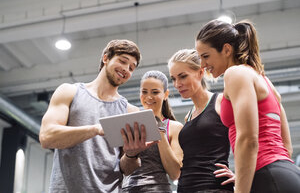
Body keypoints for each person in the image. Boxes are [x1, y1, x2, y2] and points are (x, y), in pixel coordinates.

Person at [195, 19, 300, 193]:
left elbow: (248, 139)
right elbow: (286, 147)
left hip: (268, 175)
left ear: (227, 49)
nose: (202, 65)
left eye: (206, 56)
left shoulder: (236, 73)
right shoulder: (264, 80)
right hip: (285, 173)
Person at [39, 39, 156, 193]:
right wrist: (95, 129)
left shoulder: (130, 111)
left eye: (131, 67)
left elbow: (126, 169)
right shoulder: (69, 92)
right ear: (106, 58)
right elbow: (47, 137)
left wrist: (132, 154)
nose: (126, 69)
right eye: (123, 61)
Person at [168, 49, 235, 193]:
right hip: (185, 187)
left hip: (214, 187)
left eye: (183, 76)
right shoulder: (188, 116)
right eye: (173, 79)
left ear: (200, 72)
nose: (177, 84)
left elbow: (250, 135)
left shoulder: (221, 101)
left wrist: (241, 176)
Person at [122, 70, 184, 193]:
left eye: (155, 92)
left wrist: (159, 130)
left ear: (166, 94)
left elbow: (175, 173)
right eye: (144, 92)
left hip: (158, 189)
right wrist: (130, 154)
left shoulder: (174, 127)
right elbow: (123, 169)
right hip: (126, 189)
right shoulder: (130, 123)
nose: (149, 97)